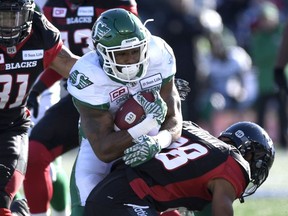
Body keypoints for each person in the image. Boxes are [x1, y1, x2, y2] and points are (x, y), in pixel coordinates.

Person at [22, 0, 138, 216]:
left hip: (122, 98)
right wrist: (35, 91)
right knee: (34, 153)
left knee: (134, 171)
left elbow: (135, 53)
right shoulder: (53, 7)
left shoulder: (117, 3)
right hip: (82, 98)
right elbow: (59, 60)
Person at [66, 8, 183, 216]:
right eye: (121, 54)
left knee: (201, 179)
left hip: (154, 137)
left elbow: (174, 117)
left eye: (135, 51)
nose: (130, 60)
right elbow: (104, 150)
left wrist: (159, 141)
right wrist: (145, 124)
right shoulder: (88, 76)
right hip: (106, 143)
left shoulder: (159, 55)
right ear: (101, 52)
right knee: (86, 201)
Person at [84, 120, 275, 216]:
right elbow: (221, 210)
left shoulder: (189, 127)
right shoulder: (234, 165)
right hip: (128, 200)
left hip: (106, 191)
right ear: (248, 153)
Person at [0, 0, 79, 215]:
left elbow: (76, 69)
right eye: (2, 18)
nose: (9, 26)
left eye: (13, 17)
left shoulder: (40, 35)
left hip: (10, 128)